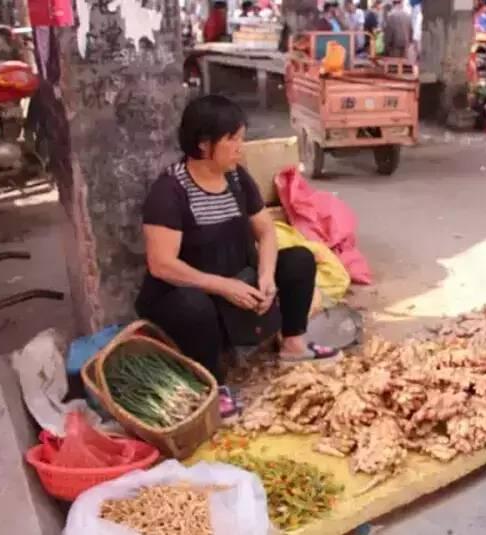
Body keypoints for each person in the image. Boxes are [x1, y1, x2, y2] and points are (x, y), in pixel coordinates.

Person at [135, 95, 340, 417]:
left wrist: (266, 276)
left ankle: (293, 345)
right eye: (233, 139)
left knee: (300, 258)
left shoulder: (236, 178)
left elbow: (266, 231)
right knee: (193, 306)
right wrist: (223, 286)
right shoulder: (170, 191)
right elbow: (162, 264)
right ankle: (213, 386)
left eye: (241, 138)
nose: (240, 148)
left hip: (238, 277)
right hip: (185, 289)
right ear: (204, 145)